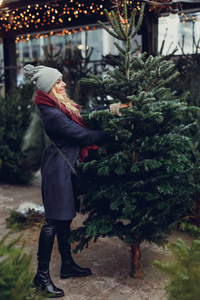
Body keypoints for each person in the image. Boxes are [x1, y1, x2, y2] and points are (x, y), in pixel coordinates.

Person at [24, 64, 127, 298]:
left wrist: (112, 108)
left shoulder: (59, 105)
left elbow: (84, 113)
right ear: (49, 87)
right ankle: (41, 276)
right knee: (53, 220)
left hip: (65, 168)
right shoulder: (50, 112)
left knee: (65, 218)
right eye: (59, 81)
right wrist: (115, 136)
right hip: (57, 170)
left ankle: (67, 264)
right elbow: (83, 135)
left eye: (62, 80)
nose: (64, 84)